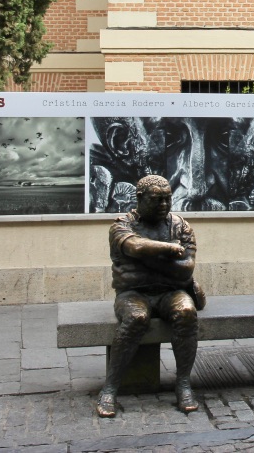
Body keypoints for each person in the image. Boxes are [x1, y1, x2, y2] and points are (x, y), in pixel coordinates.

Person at [97, 174, 204, 417]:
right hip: (133, 294)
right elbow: (134, 246)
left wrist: (147, 258)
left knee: (187, 311)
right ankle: (110, 388)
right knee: (136, 318)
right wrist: (170, 249)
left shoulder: (180, 225)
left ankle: (183, 384)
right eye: (157, 200)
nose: (164, 205)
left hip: (170, 292)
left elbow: (186, 268)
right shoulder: (122, 225)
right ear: (140, 199)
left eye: (168, 199)